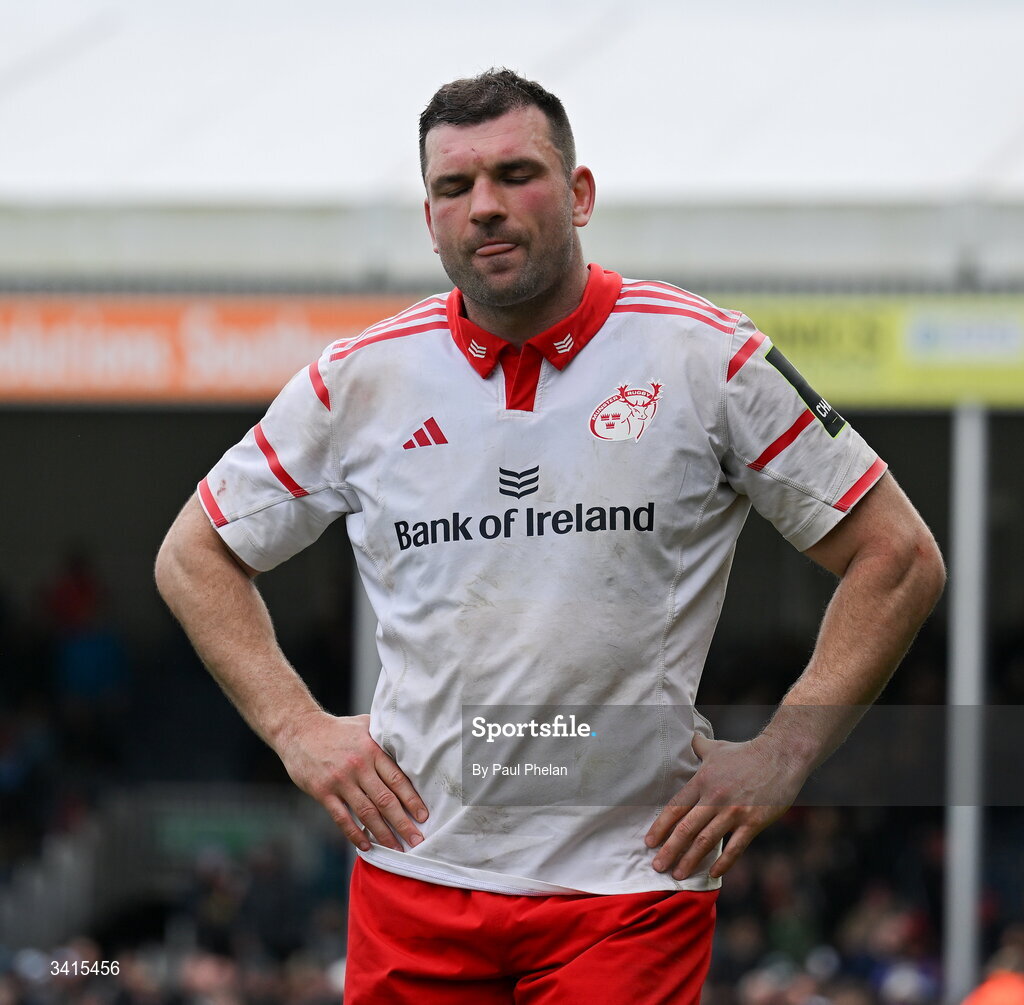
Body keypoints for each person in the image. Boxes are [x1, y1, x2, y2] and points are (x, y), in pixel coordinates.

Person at [155, 68, 945, 1003]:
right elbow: (192, 554)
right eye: (455, 187)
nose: (484, 206)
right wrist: (298, 731)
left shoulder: (703, 356)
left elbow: (897, 556)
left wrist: (785, 752)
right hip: (415, 880)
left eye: (515, 174)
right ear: (429, 218)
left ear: (579, 194)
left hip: (628, 888)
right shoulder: (358, 380)